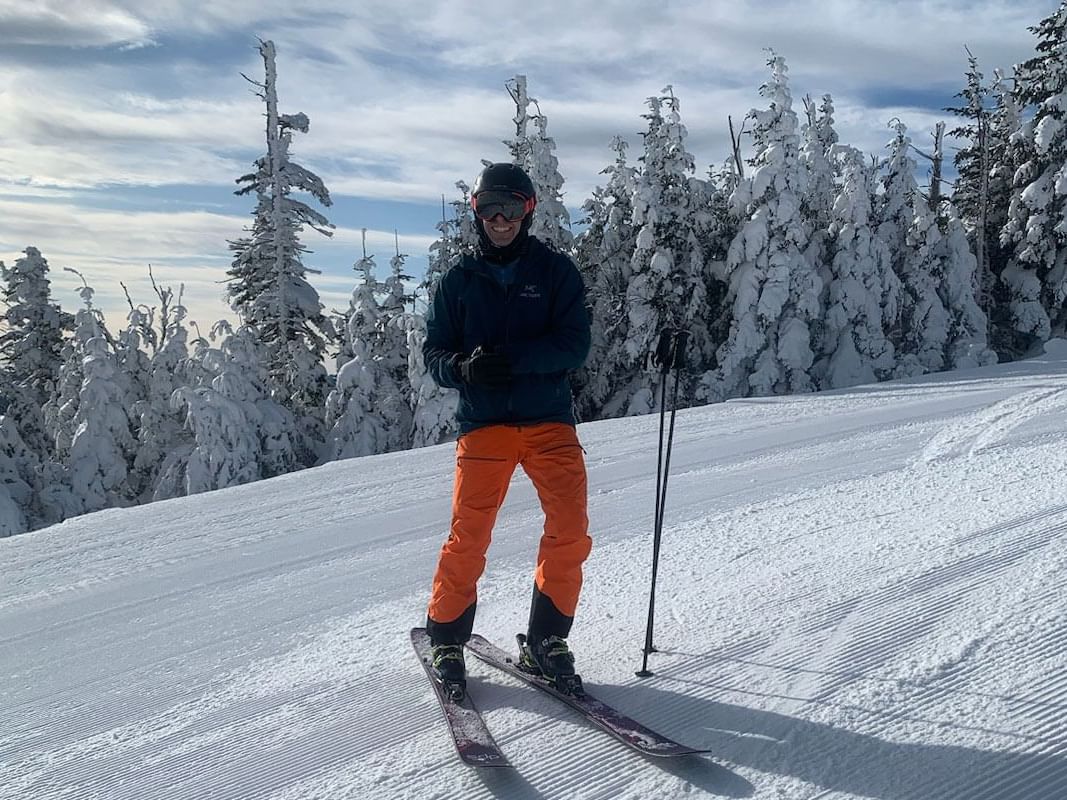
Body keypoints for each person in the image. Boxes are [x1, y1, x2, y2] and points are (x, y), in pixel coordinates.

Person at [422, 162, 592, 694]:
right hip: (485, 425)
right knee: (468, 534)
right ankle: (447, 639)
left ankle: (547, 640)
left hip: (548, 421)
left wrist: (511, 360)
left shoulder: (556, 273)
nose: (501, 219)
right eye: (490, 207)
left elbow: (574, 345)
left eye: (512, 208)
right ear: (476, 212)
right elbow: (434, 353)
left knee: (570, 529)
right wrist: (462, 369)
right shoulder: (458, 280)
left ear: (529, 211)